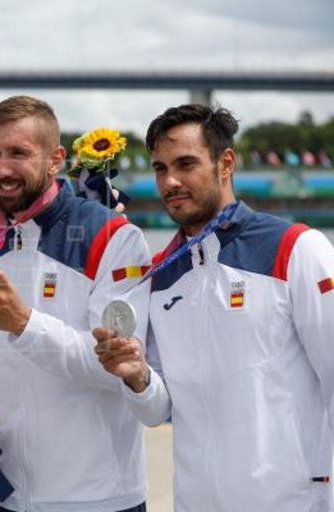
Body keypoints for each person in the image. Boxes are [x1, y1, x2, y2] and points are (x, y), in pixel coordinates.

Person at [94, 104, 334, 511]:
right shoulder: (159, 275)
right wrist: (135, 375)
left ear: (226, 163)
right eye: (160, 168)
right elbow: (157, 411)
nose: (170, 181)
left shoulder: (296, 249)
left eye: (186, 164)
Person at [0, 95, 152, 511]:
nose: (3, 169)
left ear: (56, 159)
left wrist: (23, 324)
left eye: (18, 154)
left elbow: (115, 369)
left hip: (99, 499)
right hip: (7, 498)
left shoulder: (114, 237)